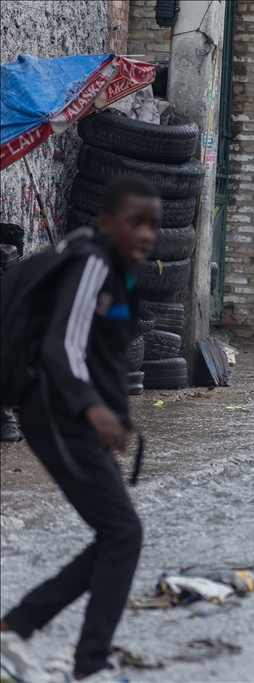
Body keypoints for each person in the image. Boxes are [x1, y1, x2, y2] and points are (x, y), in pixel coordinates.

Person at [0, 179, 159, 683]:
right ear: (106, 222)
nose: (148, 233)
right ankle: (89, 664)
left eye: (154, 223)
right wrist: (95, 411)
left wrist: (118, 412)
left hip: (70, 414)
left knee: (117, 535)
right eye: (135, 221)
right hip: (54, 413)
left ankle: (16, 627)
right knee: (123, 533)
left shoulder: (117, 274)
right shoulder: (91, 262)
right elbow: (61, 346)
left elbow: (104, 352)